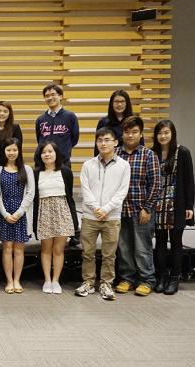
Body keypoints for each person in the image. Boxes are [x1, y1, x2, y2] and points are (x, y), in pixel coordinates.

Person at [75, 128, 130, 301]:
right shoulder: (88, 165)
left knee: (109, 254)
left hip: (112, 217)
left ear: (115, 142)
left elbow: (122, 192)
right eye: (100, 140)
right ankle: (89, 282)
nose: (103, 143)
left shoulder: (123, 165)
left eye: (107, 139)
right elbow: (85, 189)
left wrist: (106, 209)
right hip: (90, 216)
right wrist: (97, 208)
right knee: (87, 252)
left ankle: (106, 284)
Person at [115, 116, 161, 297]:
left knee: (142, 248)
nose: (130, 135)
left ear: (141, 134)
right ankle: (127, 279)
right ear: (122, 134)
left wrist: (147, 208)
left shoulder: (149, 155)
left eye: (134, 132)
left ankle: (147, 280)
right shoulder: (115, 153)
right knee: (123, 247)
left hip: (141, 211)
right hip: (120, 210)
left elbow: (156, 184)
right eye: (127, 132)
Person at [152, 120, 195, 295]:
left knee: (176, 242)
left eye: (166, 133)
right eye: (160, 133)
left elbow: (189, 181)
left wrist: (189, 205)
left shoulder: (182, 152)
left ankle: (175, 277)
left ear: (172, 134)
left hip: (176, 203)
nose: (163, 136)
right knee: (160, 242)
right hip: (157, 203)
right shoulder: (152, 152)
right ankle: (162, 276)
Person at [33, 140, 78, 294]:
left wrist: (74, 221)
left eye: (50, 151)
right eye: (44, 152)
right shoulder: (36, 173)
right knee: (46, 249)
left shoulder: (65, 171)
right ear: (40, 155)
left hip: (62, 212)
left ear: (56, 153)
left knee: (59, 250)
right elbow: (35, 198)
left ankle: (56, 280)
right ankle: (47, 279)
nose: (47, 154)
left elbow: (70, 197)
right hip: (44, 213)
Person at [0, 137, 34, 294]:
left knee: (19, 249)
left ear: (19, 151)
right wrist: (5, 214)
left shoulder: (27, 169)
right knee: (7, 248)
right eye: (8, 150)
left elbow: (30, 193)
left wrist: (18, 213)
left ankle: (17, 280)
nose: (11, 152)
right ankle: (9, 281)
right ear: (4, 151)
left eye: (14, 150)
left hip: (21, 213)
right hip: (4, 213)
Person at [34, 84, 79, 166]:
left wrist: (64, 150)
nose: (50, 98)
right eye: (47, 96)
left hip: (63, 163)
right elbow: (39, 139)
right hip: (43, 164)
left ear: (60, 96)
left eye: (53, 95)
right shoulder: (40, 119)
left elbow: (74, 139)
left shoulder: (70, 116)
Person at [95, 90, 143, 155]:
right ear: (112, 103)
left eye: (122, 101)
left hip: (132, 158)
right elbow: (98, 146)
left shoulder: (134, 121)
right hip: (109, 159)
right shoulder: (103, 122)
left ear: (127, 103)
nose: (119, 104)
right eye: (116, 101)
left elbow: (141, 143)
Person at [0, 101, 23, 166]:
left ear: (9, 113)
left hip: (10, 165)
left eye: (5, 111)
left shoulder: (15, 128)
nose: (2, 114)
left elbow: (18, 150)